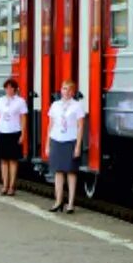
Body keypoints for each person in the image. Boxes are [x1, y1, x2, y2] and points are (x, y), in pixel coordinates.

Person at [46, 79, 86, 213]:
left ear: (73, 92)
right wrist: (47, 144)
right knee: (58, 171)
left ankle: (70, 203)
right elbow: (50, 125)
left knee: (71, 172)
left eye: (69, 90)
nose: (66, 92)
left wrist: (78, 146)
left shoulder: (77, 106)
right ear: (61, 90)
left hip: (70, 140)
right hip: (57, 139)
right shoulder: (55, 105)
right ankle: (58, 201)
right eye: (64, 89)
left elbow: (81, 127)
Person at [0, 78, 28, 196]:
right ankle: (4, 185)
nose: (9, 90)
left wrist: (23, 133)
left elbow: (23, 118)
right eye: (7, 87)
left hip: (14, 132)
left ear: (15, 89)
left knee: (13, 160)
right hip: (1, 131)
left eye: (11, 87)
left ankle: (12, 186)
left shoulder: (20, 101)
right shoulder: (0, 100)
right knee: (3, 160)